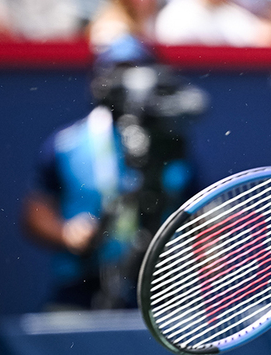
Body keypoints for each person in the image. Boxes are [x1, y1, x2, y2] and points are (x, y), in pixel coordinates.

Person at [21, 36, 205, 309]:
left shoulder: (174, 146)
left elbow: (199, 214)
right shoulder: (65, 145)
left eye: (138, 70)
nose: (130, 83)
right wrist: (66, 233)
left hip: (163, 291)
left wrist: (207, 248)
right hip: (82, 286)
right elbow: (36, 209)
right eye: (118, 72)